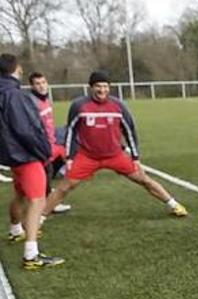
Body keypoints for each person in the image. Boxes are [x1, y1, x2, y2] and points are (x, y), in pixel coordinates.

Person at [42, 71, 188, 218]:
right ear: (91, 87)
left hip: (115, 155)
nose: (102, 90)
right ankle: (40, 218)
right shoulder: (79, 106)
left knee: (144, 179)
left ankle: (174, 205)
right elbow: (71, 131)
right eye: (98, 86)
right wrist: (70, 157)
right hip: (87, 156)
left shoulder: (118, 106)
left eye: (105, 86)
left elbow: (129, 131)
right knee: (65, 187)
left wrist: (135, 157)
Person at [0, 53, 64, 269]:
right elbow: (25, 130)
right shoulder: (15, 95)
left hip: (12, 156)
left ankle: (15, 230)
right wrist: (44, 150)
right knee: (37, 200)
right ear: (16, 69)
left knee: (20, 194)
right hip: (26, 156)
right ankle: (31, 255)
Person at [27, 71, 71, 214]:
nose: (41, 86)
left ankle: (45, 197)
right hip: (42, 146)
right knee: (45, 171)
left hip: (51, 143)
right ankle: (44, 203)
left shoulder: (46, 101)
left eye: (43, 82)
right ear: (32, 86)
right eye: (37, 84)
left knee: (52, 167)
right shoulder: (32, 103)